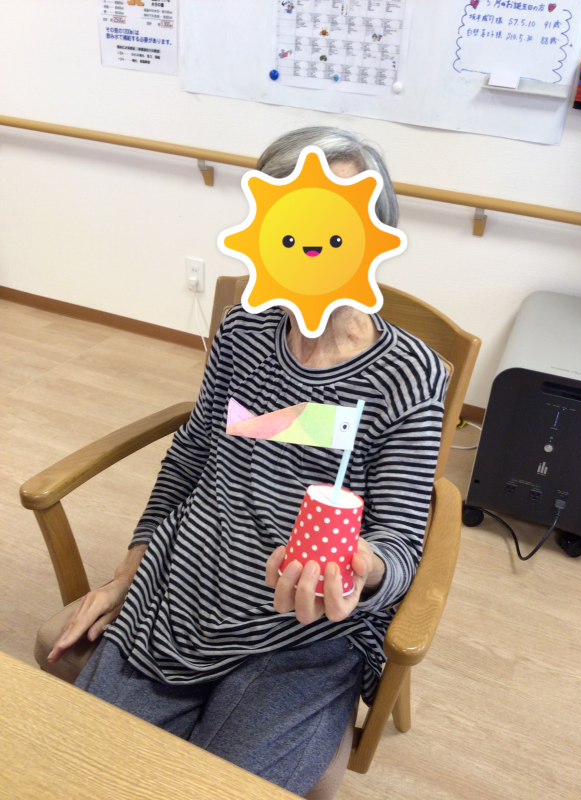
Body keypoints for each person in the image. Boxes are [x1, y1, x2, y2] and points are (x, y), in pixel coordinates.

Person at [47, 126, 448, 797]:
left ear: (374, 235)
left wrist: (363, 566)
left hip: (306, 631)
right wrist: (124, 576)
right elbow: (191, 453)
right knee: (86, 772)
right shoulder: (243, 331)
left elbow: (403, 541)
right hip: (184, 591)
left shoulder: (409, 374)